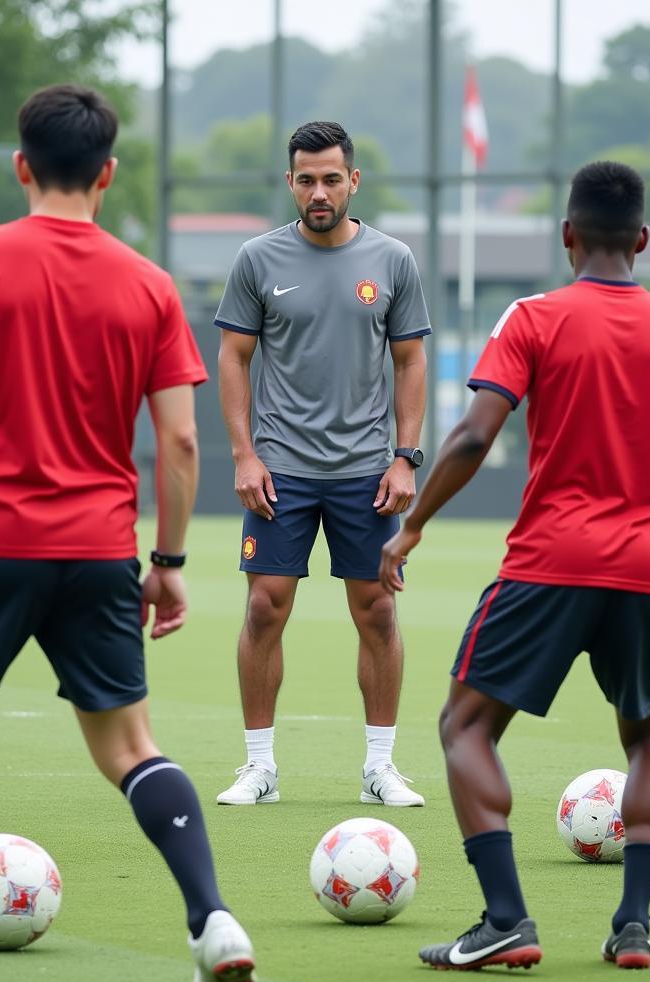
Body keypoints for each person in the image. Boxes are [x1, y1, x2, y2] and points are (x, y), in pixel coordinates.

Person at [0, 84, 255, 982]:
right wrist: (170, 564)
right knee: (130, 748)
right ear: (107, 175)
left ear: (22, 167)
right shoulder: (147, 282)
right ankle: (213, 921)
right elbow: (182, 442)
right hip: (100, 551)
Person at [379, 162, 650, 971]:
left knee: (466, 726)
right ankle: (632, 927)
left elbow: (477, 435)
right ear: (645, 241)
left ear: (567, 236)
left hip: (549, 563)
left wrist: (411, 526)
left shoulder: (533, 316)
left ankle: (508, 919)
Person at [214, 120, 429, 807]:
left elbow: (411, 362)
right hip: (281, 469)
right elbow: (234, 359)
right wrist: (245, 455)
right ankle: (259, 766)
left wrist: (405, 458)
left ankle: (380, 766)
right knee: (263, 609)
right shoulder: (257, 259)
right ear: (290, 183)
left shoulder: (393, 260)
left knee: (379, 614)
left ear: (353, 181)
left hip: (368, 472)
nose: (318, 191)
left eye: (331, 178)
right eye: (306, 179)